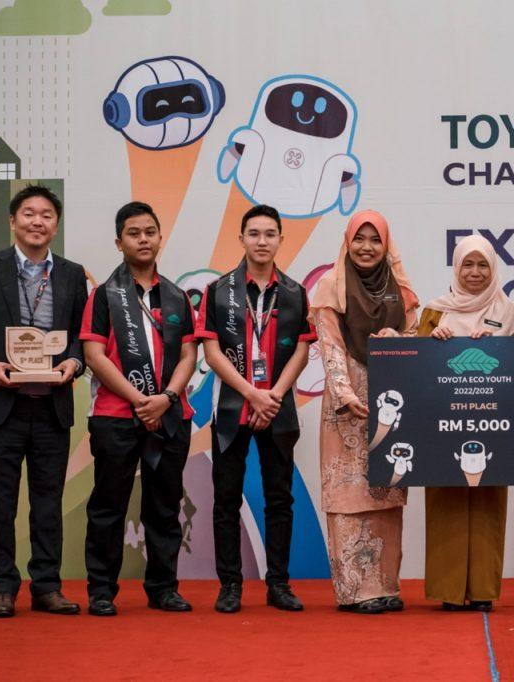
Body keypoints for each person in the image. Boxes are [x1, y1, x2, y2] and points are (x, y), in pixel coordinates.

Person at [0, 185, 88, 617]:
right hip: (0, 405)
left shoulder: (71, 274)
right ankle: (3, 587)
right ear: (13, 221)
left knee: (47, 502)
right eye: (28, 213)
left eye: (46, 215)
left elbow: (82, 336)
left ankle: (47, 586)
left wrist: (74, 364)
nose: (37, 221)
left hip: (51, 406)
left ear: (56, 225)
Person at [80, 201, 198, 616]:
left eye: (150, 231)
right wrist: (138, 399)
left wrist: (166, 398)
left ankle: (163, 588)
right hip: (114, 416)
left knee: (164, 506)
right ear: (119, 242)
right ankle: (101, 590)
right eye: (133, 233)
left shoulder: (178, 297)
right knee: (108, 506)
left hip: (170, 414)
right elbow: (94, 355)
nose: (143, 239)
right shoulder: (103, 295)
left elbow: (189, 355)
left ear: (160, 237)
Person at [196, 204, 314, 613]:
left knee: (279, 499)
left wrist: (273, 395)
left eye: (269, 234)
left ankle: (278, 584)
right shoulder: (219, 290)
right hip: (231, 409)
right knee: (226, 499)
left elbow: (301, 349)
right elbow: (212, 353)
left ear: (280, 239)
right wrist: (252, 393)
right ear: (242, 238)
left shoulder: (295, 292)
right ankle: (230, 585)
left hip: (277, 409)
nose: (262, 241)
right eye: (254, 233)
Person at [311, 209, 419, 614]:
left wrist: (397, 337)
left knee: (386, 490)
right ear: (348, 241)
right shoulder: (331, 285)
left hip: (391, 399)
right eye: (359, 238)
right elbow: (330, 347)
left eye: (376, 240)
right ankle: (356, 590)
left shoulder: (402, 290)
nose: (367, 247)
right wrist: (344, 392)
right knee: (348, 495)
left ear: (386, 245)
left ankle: (385, 586)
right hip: (347, 405)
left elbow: (414, 337)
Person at [420, 234, 514, 612]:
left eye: (482, 265)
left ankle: (482, 590)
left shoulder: (509, 312)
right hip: (443, 426)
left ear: (493, 268)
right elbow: (416, 367)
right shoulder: (435, 311)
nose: (475, 272)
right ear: (456, 267)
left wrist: (497, 346)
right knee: (445, 502)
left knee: (488, 504)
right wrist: (431, 340)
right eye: (468, 264)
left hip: (493, 424)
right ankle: (448, 591)